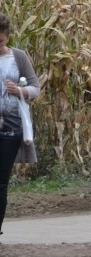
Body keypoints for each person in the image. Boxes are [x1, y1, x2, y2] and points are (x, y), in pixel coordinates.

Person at [0, 13, 40, 238]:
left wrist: (20, 91)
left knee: (1, 183)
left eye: (0, 42)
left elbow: (35, 87)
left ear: (7, 38)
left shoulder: (19, 57)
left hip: (11, 129)